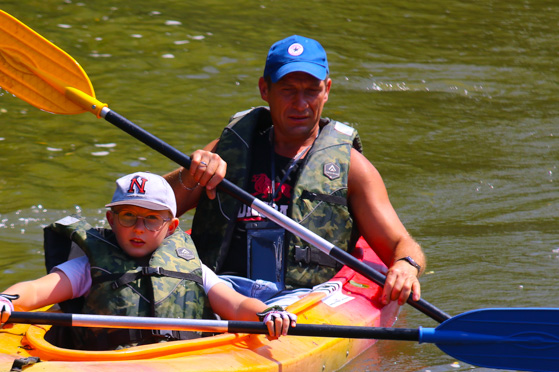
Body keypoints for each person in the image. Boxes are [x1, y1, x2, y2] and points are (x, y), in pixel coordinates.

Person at [164, 35, 425, 307]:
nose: (301, 103)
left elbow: (401, 244)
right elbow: (148, 210)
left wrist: (406, 266)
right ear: (265, 89)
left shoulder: (353, 169)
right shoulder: (226, 152)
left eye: (311, 90)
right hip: (221, 289)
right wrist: (191, 174)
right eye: (288, 90)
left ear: (327, 90)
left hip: (305, 299)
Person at [0, 172, 295, 351]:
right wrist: (6, 299)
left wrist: (268, 313)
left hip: (183, 362)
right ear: (111, 220)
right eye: (128, 216)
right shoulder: (88, 265)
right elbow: (37, 291)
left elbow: (237, 306)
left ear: (171, 226)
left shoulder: (190, 264)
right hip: (105, 367)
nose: (138, 229)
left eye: (151, 219)